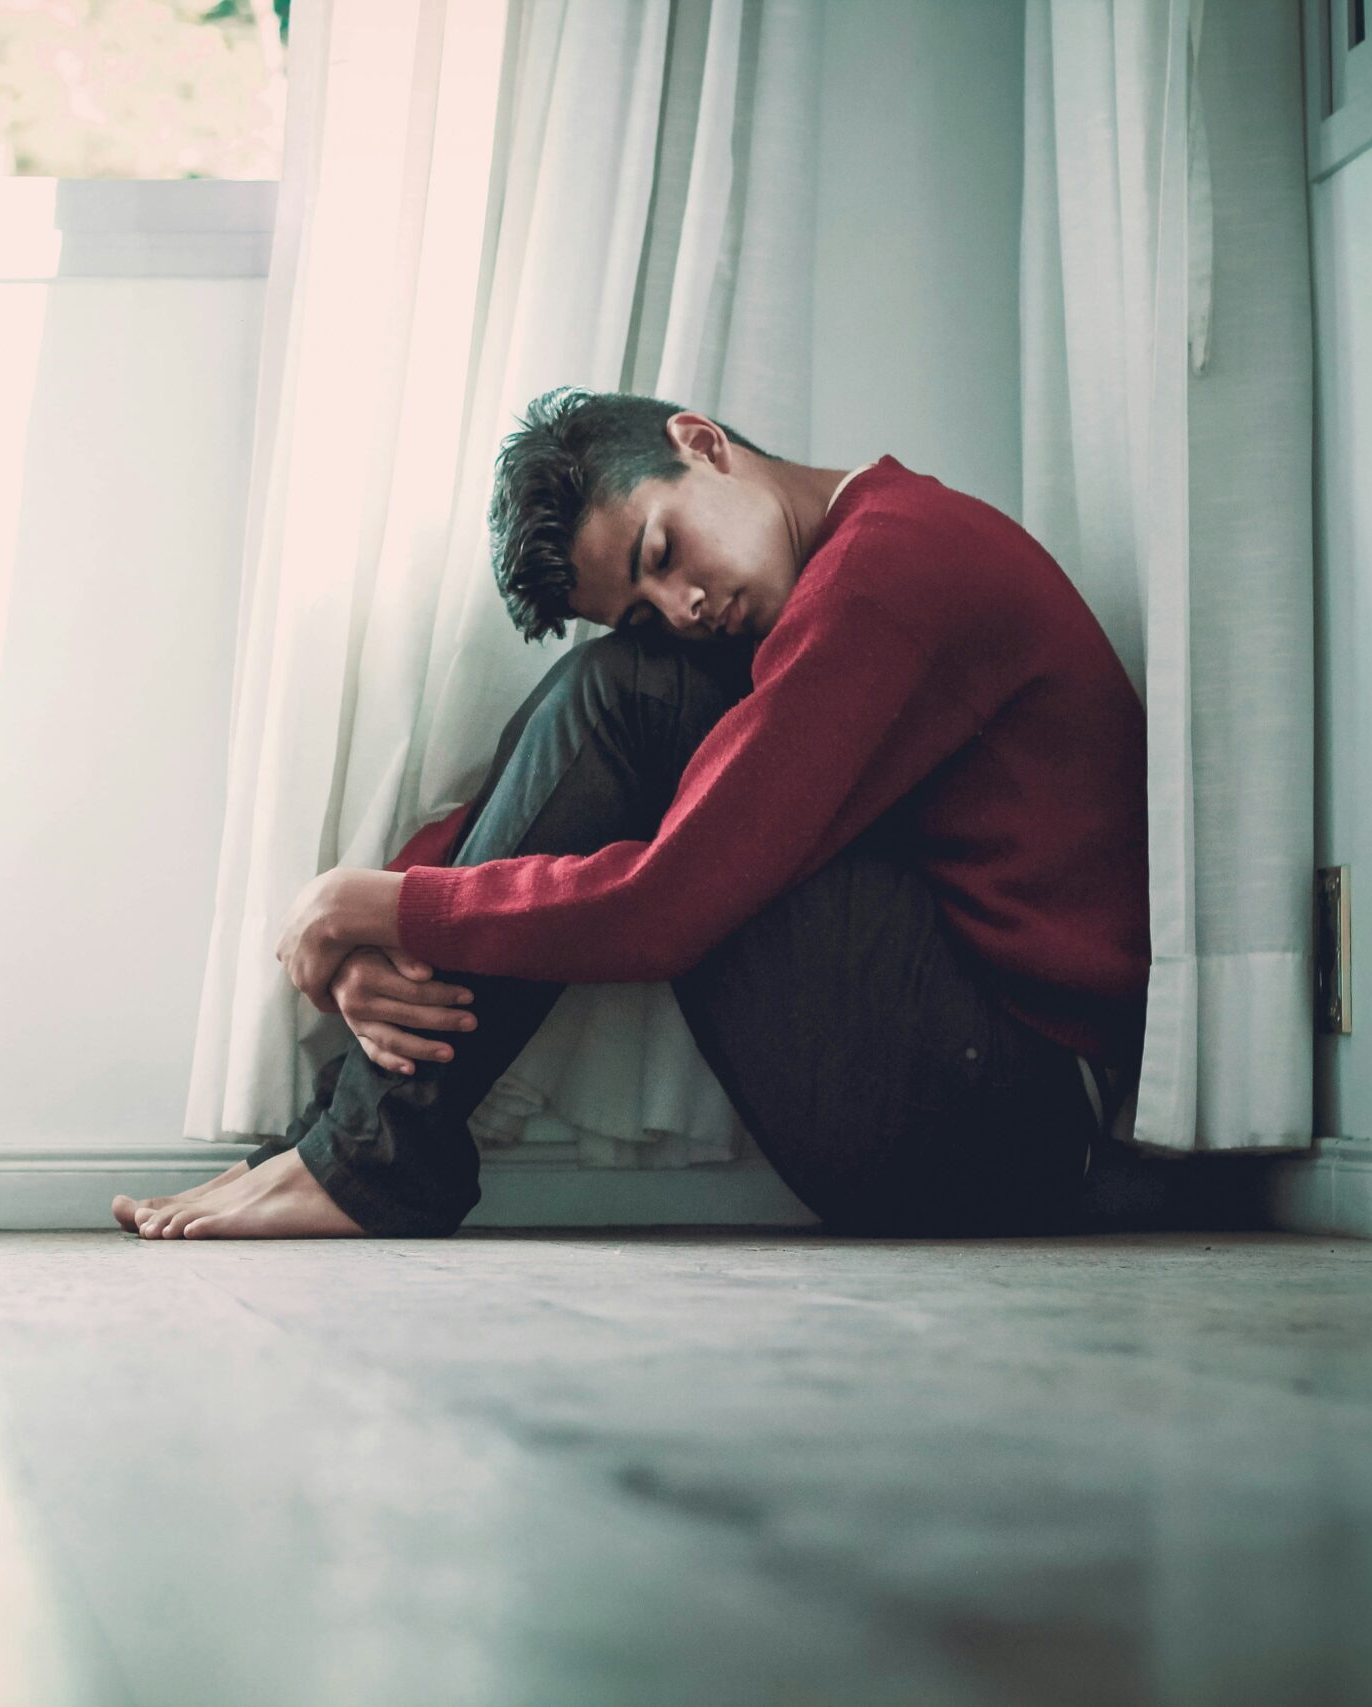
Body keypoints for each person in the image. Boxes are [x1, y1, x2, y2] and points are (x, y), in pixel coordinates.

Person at [115, 387, 1150, 1241]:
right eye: (649, 601)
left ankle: (366, 1161)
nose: (687, 607)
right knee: (621, 681)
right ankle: (350, 1145)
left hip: (1010, 1121)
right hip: (964, 1083)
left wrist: (378, 909)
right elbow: (561, 789)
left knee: (628, 693)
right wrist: (375, 920)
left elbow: (669, 905)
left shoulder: (891, 573)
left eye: (662, 551)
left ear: (701, 444)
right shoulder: (841, 574)